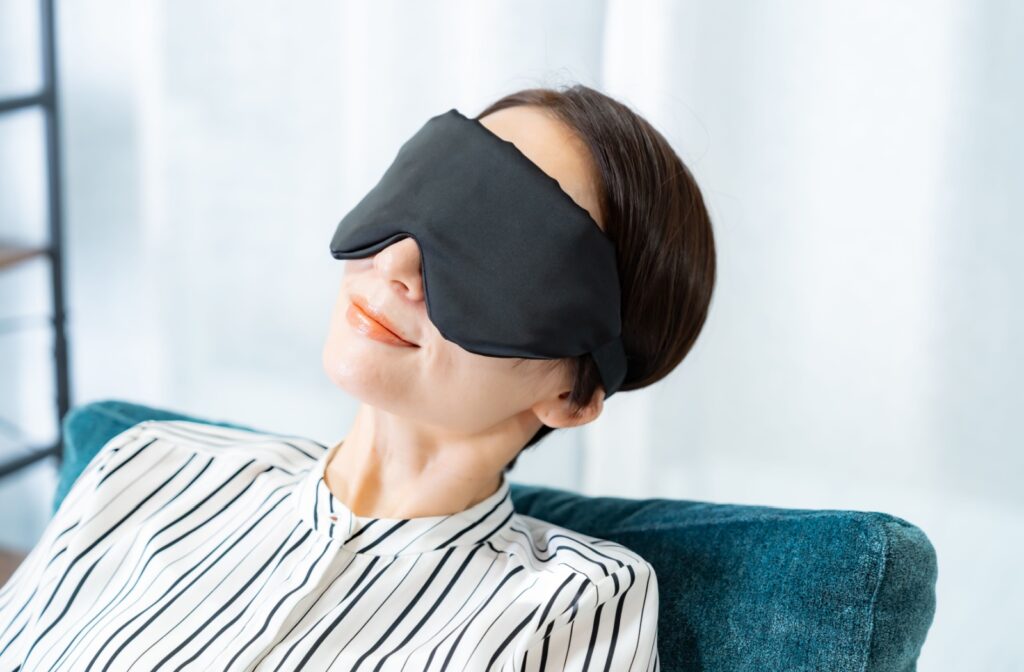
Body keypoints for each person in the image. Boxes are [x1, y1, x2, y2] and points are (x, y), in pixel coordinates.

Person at [0, 83, 715, 670]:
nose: (395, 267)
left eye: (497, 255)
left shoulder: (571, 606)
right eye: (432, 196)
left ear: (574, 394)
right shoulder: (146, 466)